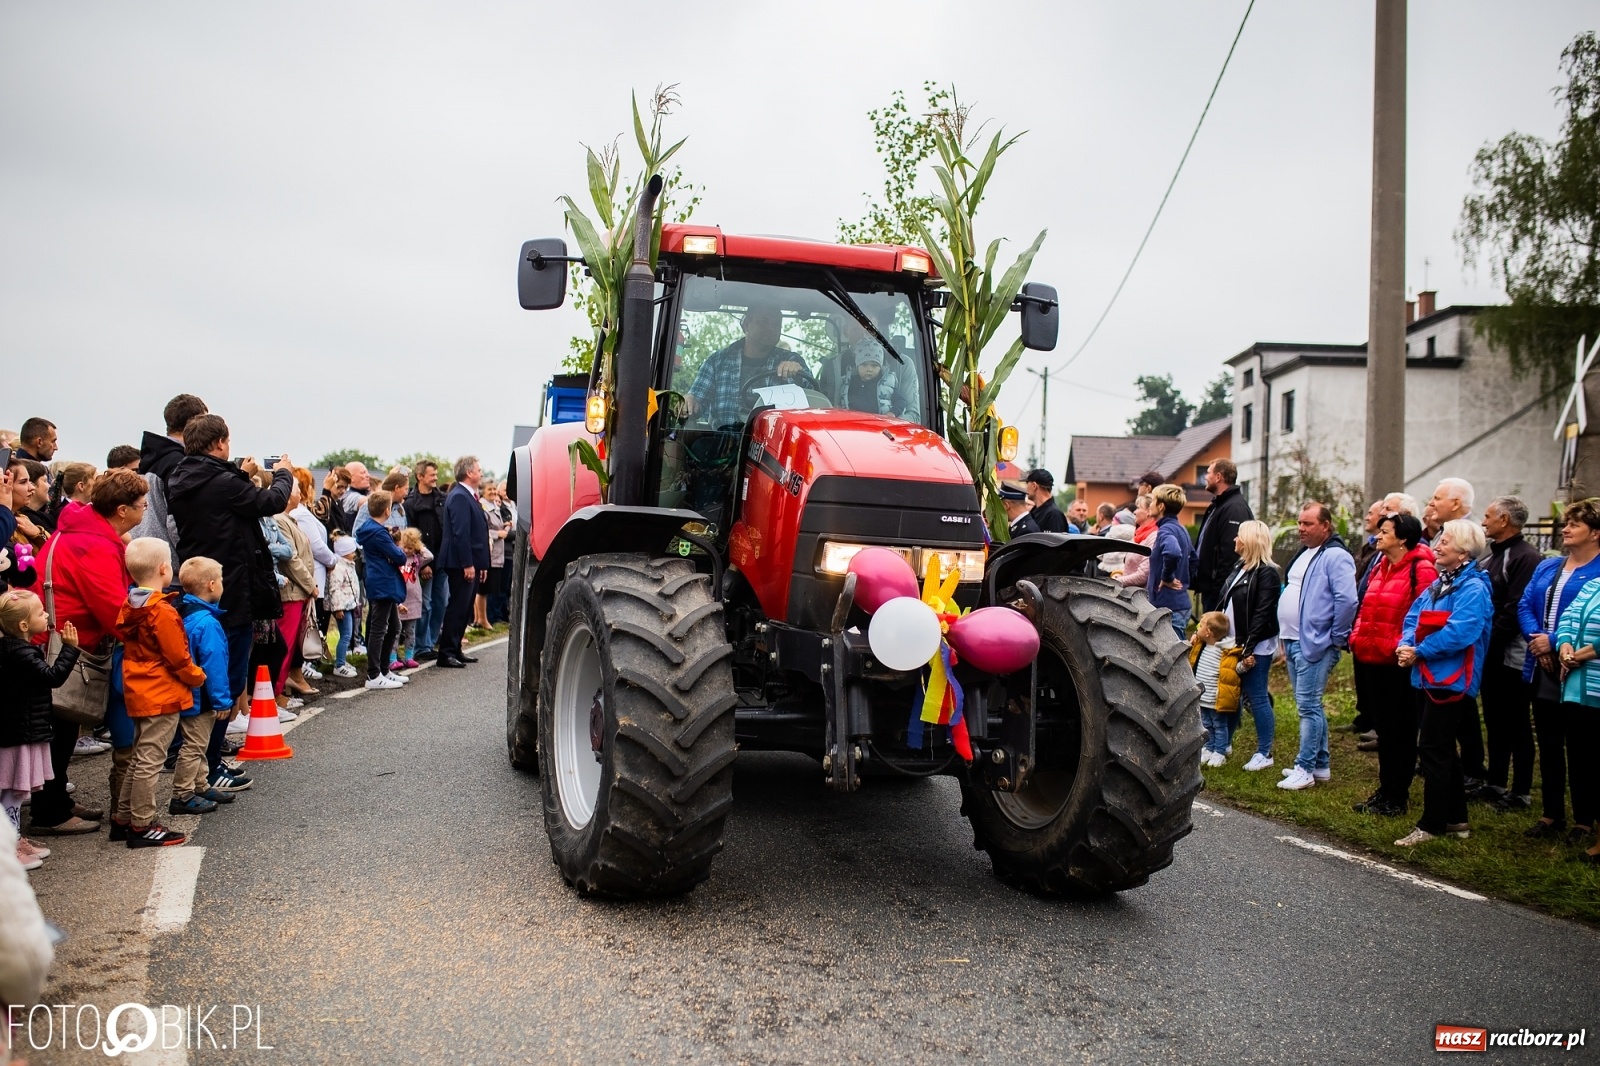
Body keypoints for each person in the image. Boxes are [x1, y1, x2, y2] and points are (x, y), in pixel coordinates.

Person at [29, 469, 148, 837]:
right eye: (142, 505)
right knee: (60, 725)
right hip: (62, 642)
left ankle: (57, 801)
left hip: (57, 637)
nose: (146, 510)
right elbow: (112, 608)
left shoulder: (79, 528)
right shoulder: (93, 544)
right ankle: (50, 811)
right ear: (123, 511)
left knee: (61, 727)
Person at [165, 415, 293, 724]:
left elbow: (222, 496)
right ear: (220, 443)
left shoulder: (182, 477)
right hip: (231, 583)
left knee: (205, 665)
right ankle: (212, 756)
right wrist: (284, 474)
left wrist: (238, 474)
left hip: (199, 579)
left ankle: (202, 750)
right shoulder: (225, 483)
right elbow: (272, 501)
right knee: (230, 671)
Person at [1394, 520, 1492, 846]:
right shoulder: (1439, 584)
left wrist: (1419, 651)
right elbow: (1413, 617)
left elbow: (1461, 632)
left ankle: (1431, 825)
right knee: (1442, 750)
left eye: (1445, 542)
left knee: (1434, 750)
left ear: (1464, 551)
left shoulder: (1474, 588)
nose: (1437, 547)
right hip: (1427, 677)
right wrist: (1407, 645)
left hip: (1452, 681)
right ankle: (1456, 820)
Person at [114, 538, 207, 848]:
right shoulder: (162, 612)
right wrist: (197, 676)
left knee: (140, 757)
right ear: (165, 568)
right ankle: (142, 824)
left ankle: (124, 817)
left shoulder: (131, 604)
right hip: (162, 693)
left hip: (139, 689)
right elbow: (178, 656)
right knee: (150, 761)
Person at [1517, 498, 1600, 841]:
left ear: (1595, 533)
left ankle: (1584, 820)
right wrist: (1538, 641)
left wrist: (1552, 641)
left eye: (1574, 525)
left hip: (1579, 668)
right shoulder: (1549, 566)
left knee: (1581, 748)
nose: (1565, 529)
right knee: (1549, 744)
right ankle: (1552, 814)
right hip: (1542, 665)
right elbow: (1525, 604)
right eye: (1566, 523)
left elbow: (1584, 620)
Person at [1348, 513, 1437, 816]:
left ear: (1403, 538)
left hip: (1397, 661)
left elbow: (1424, 614)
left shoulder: (1421, 569)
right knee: (1385, 730)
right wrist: (1357, 637)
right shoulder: (1380, 565)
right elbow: (1365, 607)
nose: (1378, 536)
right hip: (1370, 657)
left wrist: (1400, 645)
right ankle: (1385, 790)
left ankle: (1398, 796)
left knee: (1401, 730)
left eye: (1385, 532)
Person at [1276, 501, 1358, 791]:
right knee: (1309, 705)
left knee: (1308, 707)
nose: (1301, 528)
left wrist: (1336, 637)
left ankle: (1305, 767)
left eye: (1307, 524)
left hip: (1316, 643)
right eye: (1299, 523)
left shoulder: (1336, 555)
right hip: (1294, 640)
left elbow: (1347, 600)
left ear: (1325, 525)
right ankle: (1320, 765)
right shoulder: (1307, 552)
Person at [0, 589, 79, 870]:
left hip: (19, 731)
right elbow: (52, 677)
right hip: (17, 735)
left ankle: (14, 840)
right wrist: (69, 648)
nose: (46, 614)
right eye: (40, 612)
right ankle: (8, 849)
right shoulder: (19, 653)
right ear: (23, 626)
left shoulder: (14, 650)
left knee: (14, 792)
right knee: (12, 792)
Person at [1480, 496, 1542, 811]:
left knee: (1516, 721)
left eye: (1488, 516)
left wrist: (1490, 643)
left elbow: (1517, 607)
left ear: (1504, 520)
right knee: (1495, 719)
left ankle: (1521, 792)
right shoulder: (1493, 556)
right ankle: (1495, 782)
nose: (1483, 521)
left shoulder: (1525, 556)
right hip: (1489, 652)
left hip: (1512, 655)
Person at [174, 556, 248, 809]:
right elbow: (214, 665)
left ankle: (201, 785)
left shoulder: (184, 612)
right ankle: (182, 794)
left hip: (190, 693)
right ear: (212, 585)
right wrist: (222, 700)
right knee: (195, 745)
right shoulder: (207, 623)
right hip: (202, 696)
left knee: (199, 741)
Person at [1218, 519, 1281, 772]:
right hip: (1234, 641)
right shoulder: (1240, 567)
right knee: (1232, 694)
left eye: (1239, 536)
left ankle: (1264, 752)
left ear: (1250, 541)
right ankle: (1225, 743)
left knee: (1256, 696)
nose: (1235, 540)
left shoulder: (1266, 573)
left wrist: (1249, 646)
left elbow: (1262, 613)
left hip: (1254, 645)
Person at [686, 305, 814, 426]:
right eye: (763, 322)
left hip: (774, 443)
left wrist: (798, 374)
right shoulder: (717, 361)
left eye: (776, 324)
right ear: (746, 324)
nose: (771, 329)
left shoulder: (793, 360)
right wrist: (689, 401)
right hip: (724, 441)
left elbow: (814, 403)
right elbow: (696, 401)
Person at [130, 393, 208, 571]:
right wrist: (195, 565)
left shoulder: (153, 457)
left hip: (146, 561)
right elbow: (177, 521)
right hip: (172, 567)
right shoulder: (180, 463)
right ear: (194, 423)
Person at [1553, 576, 1600, 864]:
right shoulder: (1593, 584)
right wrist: (1565, 646)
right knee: (1585, 762)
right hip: (1578, 688)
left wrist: (1577, 655)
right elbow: (1568, 618)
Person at [435, 457, 489, 668]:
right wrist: (467, 563)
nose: (481, 473)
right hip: (460, 563)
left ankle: (456, 648)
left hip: (472, 562)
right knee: (457, 606)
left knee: (465, 608)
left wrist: (481, 564)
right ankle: (446, 652)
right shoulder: (459, 496)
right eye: (479, 469)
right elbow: (460, 533)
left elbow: (478, 533)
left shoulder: (470, 496)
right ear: (469, 473)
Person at [355, 491, 409, 691]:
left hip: (380, 580)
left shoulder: (371, 529)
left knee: (394, 627)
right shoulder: (378, 533)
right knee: (379, 628)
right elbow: (399, 557)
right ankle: (373, 673)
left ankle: (384, 670)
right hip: (383, 582)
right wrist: (397, 550)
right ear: (387, 510)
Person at [289, 467, 339, 683]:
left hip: (314, 574)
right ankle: (305, 663)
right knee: (311, 623)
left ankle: (308, 662)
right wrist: (333, 560)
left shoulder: (302, 512)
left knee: (313, 621)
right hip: (314, 575)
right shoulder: (300, 514)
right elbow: (317, 546)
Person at [1192, 458, 1253, 612]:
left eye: (1208, 473)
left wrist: (1220, 590)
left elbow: (1231, 554)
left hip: (1219, 593)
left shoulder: (1234, 508)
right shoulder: (1218, 506)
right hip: (1211, 590)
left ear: (1218, 477)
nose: (1205, 477)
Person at [407, 459, 448, 660]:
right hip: (424, 564)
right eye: (431, 475)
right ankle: (421, 645)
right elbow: (411, 535)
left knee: (441, 602)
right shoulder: (411, 503)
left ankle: (431, 641)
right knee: (425, 604)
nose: (435, 478)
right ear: (420, 476)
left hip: (441, 560)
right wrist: (422, 564)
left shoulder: (442, 499)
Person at [1190, 611, 1241, 767]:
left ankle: (1220, 752)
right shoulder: (1201, 645)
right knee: (1206, 723)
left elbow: (1233, 671)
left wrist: (1244, 665)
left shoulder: (1225, 652)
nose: (1197, 628)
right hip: (1203, 696)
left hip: (1216, 698)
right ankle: (1208, 747)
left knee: (1219, 725)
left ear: (1208, 632)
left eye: (1200, 625)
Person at [1146, 483, 1193, 637]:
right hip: (1179, 604)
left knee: (1171, 659)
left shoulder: (1166, 530)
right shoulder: (1181, 529)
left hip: (1169, 609)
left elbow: (1173, 552)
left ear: (1161, 507)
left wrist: (1168, 577)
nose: (1150, 504)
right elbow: (1194, 560)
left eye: (1153, 501)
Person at [394, 527, 431, 671]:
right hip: (400, 598)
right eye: (405, 547)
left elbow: (429, 556)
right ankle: (393, 657)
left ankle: (409, 656)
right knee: (396, 630)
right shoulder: (397, 558)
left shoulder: (416, 559)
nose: (408, 551)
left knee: (410, 630)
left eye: (411, 548)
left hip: (414, 598)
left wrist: (420, 547)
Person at [325, 535, 361, 678]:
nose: (354, 554)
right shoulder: (338, 568)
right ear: (345, 552)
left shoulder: (348, 565)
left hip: (349, 604)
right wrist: (338, 607)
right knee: (345, 635)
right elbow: (335, 589)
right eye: (352, 551)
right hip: (343, 607)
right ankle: (339, 665)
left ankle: (343, 661)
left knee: (348, 634)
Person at [1114, 494, 1158, 590]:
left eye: (1138, 508)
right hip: (1130, 592)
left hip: (1139, 597)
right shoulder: (1138, 535)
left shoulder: (1153, 537)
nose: (1134, 512)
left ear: (1148, 512)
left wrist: (1118, 581)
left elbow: (1143, 575)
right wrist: (1119, 573)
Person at [1427, 478, 1476, 551]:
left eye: (1437, 499)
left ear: (1456, 504)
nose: (1430, 503)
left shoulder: (1475, 536)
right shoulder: (1442, 531)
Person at [1024, 469, 1068, 534]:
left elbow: (1054, 542)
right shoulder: (1035, 511)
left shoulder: (1053, 515)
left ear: (1034, 486)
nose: (1026, 488)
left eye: (1027, 483)